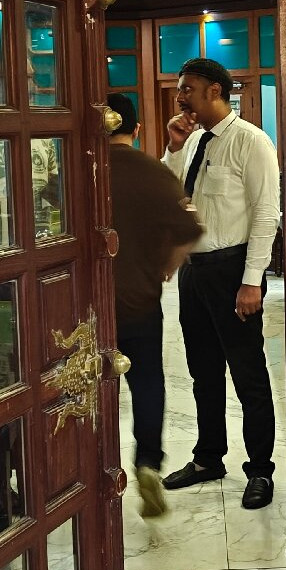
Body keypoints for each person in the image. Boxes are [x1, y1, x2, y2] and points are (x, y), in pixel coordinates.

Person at [161, 58, 280, 510]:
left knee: (248, 374)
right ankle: (208, 458)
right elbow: (170, 194)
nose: (180, 97)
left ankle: (261, 469)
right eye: (180, 88)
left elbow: (266, 215)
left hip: (233, 271)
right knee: (203, 372)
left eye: (187, 88)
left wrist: (252, 282)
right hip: (195, 272)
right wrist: (174, 148)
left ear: (215, 90)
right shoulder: (192, 140)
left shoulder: (251, 141)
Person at [106, 93, 203, 517]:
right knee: (146, 383)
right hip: (140, 302)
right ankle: (147, 462)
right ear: (136, 128)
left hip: (83, 308)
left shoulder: (76, 174)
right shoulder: (154, 172)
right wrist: (166, 267)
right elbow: (190, 231)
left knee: (86, 390)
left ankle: (88, 471)